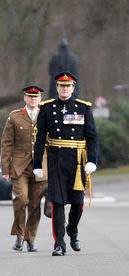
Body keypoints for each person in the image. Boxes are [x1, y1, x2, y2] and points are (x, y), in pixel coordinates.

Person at [33, 72, 98, 256]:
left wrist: (92, 160)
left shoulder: (83, 108)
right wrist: (37, 164)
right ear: (57, 87)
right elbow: (39, 139)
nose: (64, 89)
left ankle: (73, 231)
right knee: (57, 202)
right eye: (62, 86)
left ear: (73, 88)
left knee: (77, 203)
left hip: (77, 161)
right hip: (56, 160)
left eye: (68, 86)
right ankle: (59, 244)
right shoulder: (46, 108)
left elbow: (92, 137)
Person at [1, 86, 48, 252]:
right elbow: (6, 144)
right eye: (30, 96)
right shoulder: (14, 117)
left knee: (35, 205)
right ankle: (19, 235)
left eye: (36, 97)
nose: (33, 99)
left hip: (41, 166)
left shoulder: (46, 115)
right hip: (20, 167)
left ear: (40, 98)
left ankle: (31, 239)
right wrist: (5, 169)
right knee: (21, 199)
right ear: (25, 98)